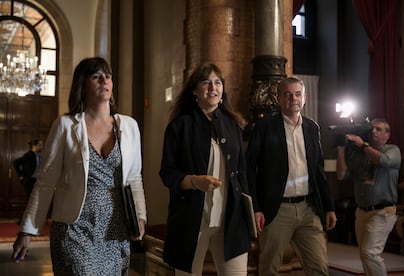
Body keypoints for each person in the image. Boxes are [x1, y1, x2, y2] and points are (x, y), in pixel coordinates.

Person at [11, 57, 147, 275]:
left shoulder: (129, 127)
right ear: (82, 86)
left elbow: (134, 178)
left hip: (115, 229)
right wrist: (27, 231)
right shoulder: (66, 126)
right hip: (74, 228)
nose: (104, 80)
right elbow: (45, 182)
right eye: (96, 76)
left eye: (108, 76)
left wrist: (139, 216)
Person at [159, 63, 251, 275]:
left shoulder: (234, 124)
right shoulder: (179, 126)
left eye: (218, 82)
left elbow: (242, 174)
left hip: (231, 220)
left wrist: (250, 210)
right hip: (192, 220)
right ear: (194, 91)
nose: (213, 87)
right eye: (206, 82)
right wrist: (193, 181)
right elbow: (167, 173)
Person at [246, 76, 337, 275]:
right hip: (276, 210)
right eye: (287, 94)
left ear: (304, 98)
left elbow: (318, 171)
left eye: (297, 94)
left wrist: (329, 207)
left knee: (319, 267)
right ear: (279, 99)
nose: (293, 98)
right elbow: (249, 168)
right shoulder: (264, 127)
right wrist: (256, 207)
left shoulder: (312, 128)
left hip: (308, 209)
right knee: (269, 268)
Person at [336, 118, 401, 276]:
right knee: (364, 255)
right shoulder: (359, 154)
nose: (373, 131)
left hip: (382, 211)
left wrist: (363, 145)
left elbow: (383, 161)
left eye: (379, 129)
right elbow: (341, 175)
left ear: (387, 134)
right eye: (372, 128)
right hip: (362, 211)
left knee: (369, 253)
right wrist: (340, 149)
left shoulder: (392, 150)